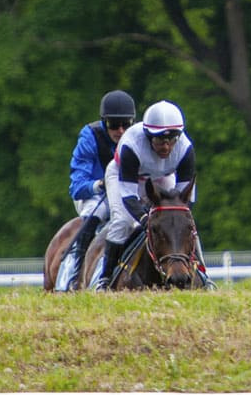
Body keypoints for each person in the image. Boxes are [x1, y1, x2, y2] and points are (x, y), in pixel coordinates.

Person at [97, 99, 203, 287]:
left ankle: (203, 273)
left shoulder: (186, 149)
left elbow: (186, 199)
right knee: (123, 221)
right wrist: (146, 219)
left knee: (184, 222)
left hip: (161, 176)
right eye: (160, 140)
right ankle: (104, 279)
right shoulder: (131, 145)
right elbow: (129, 196)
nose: (166, 147)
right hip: (124, 176)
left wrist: (172, 215)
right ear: (148, 136)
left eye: (171, 140)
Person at [60, 89, 135, 289]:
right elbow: (76, 187)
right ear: (104, 122)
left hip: (127, 193)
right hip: (94, 195)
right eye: (114, 125)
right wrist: (100, 184)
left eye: (126, 124)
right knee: (97, 212)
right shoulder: (90, 136)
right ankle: (74, 274)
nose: (120, 131)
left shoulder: (138, 138)